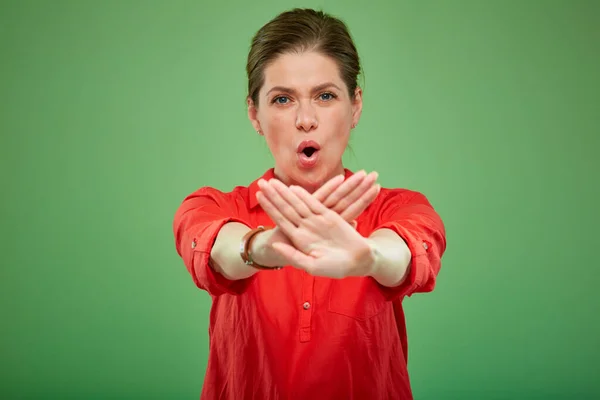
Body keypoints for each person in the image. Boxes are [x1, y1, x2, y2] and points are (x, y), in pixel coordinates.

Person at [173, 8, 446, 400]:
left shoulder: (402, 209)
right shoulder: (211, 206)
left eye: (325, 96)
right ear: (255, 113)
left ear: (355, 106)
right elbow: (216, 248)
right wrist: (266, 247)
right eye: (282, 99)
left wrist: (369, 257)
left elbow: (406, 250)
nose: (305, 119)